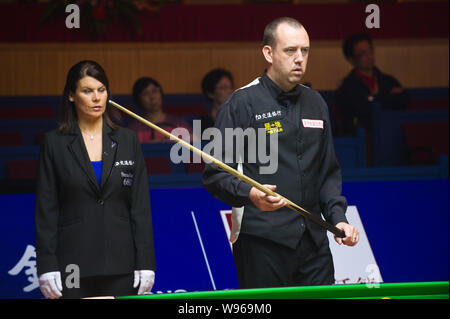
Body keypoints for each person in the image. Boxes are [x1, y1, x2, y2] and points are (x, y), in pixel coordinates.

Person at [202, 17, 359, 289]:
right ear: (268, 53)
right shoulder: (240, 103)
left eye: (305, 51)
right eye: (290, 50)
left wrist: (338, 219)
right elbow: (215, 174)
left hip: (314, 242)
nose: (299, 58)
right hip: (262, 242)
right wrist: (250, 194)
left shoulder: (316, 103)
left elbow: (327, 173)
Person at [35, 60, 156, 299]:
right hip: (72, 263)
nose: (96, 98)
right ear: (71, 95)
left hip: (122, 261)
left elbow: (140, 207)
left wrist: (146, 261)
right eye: (87, 91)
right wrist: (47, 264)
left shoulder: (128, 140)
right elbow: (46, 210)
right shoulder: (54, 143)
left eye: (101, 90)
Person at [335, 33, 409, 137]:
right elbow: (360, 112)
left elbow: (403, 101)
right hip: (363, 138)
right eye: (362, 54)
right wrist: (386, 97)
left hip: (391, 134)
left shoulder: (388, 81)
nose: (369, 56)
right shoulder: (348, 86)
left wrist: (373, 99)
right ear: (351, 59)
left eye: (370, 51)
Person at [129, 77, 192, 143]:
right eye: (145, 94)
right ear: (138, 100)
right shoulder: (134, 130)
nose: (152, 97)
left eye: (154, 91)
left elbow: (195, 143)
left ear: (161, 94)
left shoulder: (179, 123)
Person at [199, 68, 234, 134]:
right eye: (224, 87)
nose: (230, 91)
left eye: (231, 87)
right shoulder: (203, 123)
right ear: (210, 93)